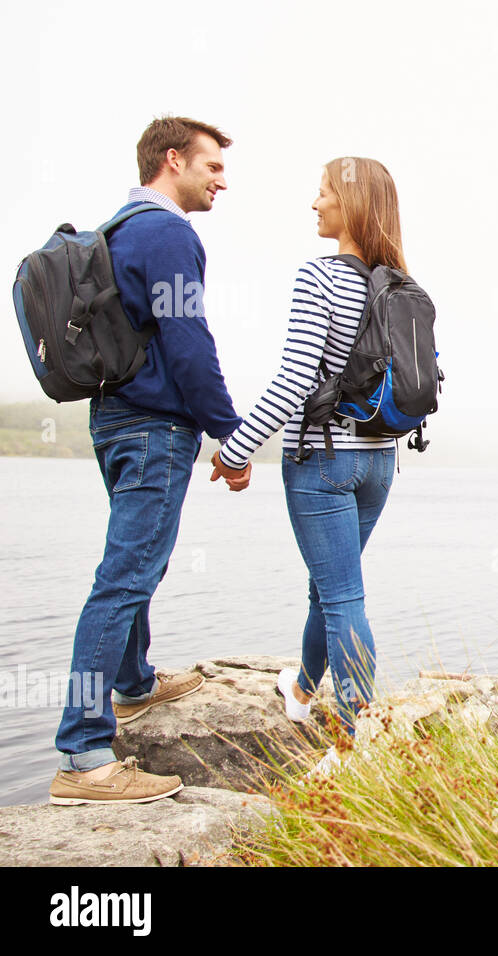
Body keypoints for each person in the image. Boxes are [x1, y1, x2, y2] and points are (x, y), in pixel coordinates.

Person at [50, 116, 251, 806]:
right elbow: (186, 335)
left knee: (129, 565)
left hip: (111, 420)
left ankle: (132, 685)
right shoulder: (168, 233)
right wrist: (231, 431)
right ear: (173, 160)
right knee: (125, 576)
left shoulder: (117, 228)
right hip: (153, 429)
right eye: (213, 166)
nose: (223, 180)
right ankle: (83, 752)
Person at [211, 157, 405, 738]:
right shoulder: (401, 286)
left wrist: (236, 448)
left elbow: (295, 378)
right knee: (332, 586)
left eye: (323, 194)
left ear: (352, 205)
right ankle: (300, 689)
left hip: (322, 460)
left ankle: (354, 735)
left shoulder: (320, 276)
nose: (314, 204)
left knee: (343, 595)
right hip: (380, 460)